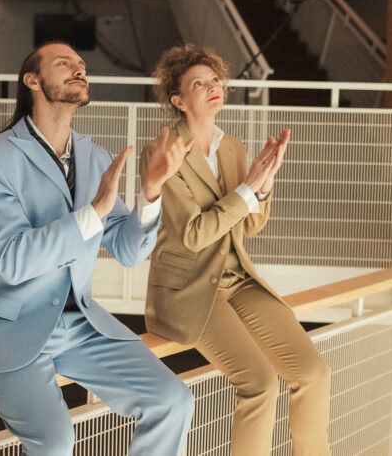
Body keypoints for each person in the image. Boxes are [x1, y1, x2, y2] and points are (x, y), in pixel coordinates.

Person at [0, 42, 195, 456]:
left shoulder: (95, 157)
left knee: (173, 401)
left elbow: (128, 251)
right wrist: (94, 212)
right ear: (32, 81)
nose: (79, 69)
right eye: (64, 63)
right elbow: (12, 260)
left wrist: (151, 192)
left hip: (81, 326)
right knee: (56, 442)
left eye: (82, 64)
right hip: (9, 327)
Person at [142, 45, 331, 456]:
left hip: (236, 277)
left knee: (313, 372)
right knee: (260, 383)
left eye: (215, 80)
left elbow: (247, 226)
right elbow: (193, 235)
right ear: (178, 100)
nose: (212, 87)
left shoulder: (233, 147)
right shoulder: (163, 153)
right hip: (187, 287)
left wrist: (263, 187)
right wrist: (247, 190)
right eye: (198, 83)